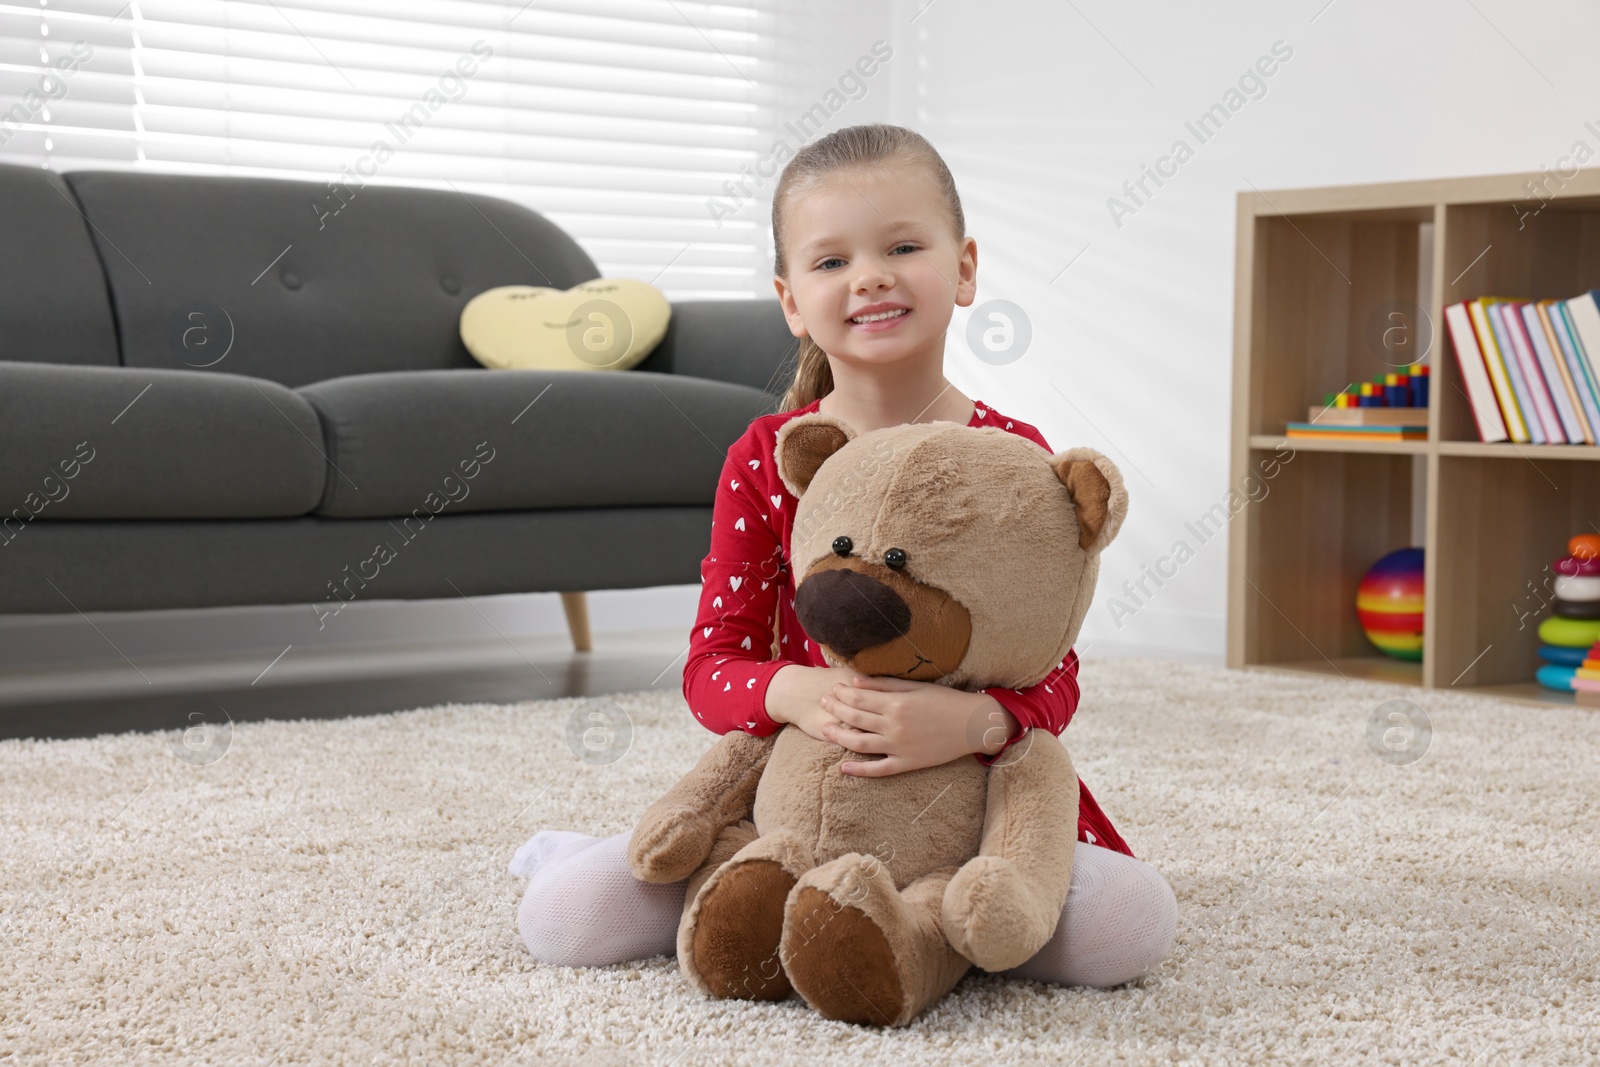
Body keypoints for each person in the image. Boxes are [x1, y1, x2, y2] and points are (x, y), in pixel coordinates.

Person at [512, 123, 1177, 989]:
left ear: (965, 267)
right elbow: (712, 668)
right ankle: (763, 893)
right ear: (791, 300)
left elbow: (1056, 673)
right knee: (565, 921)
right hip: (793, 802)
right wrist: (797, 691)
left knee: (1131, 927)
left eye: (903, 245)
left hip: (967, 805)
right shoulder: (768, 455)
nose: (869, 275)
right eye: (831, 263)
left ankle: (919, 919)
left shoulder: (1014, 459)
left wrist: (978, 724)